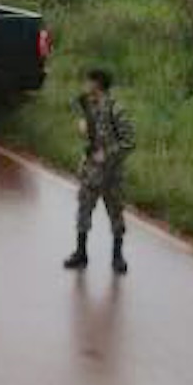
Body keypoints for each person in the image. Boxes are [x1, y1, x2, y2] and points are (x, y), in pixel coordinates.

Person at [64, 69, 136, 275]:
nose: (85, 86)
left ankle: (117, 256)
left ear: (97, 84)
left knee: (116, 214)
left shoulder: (115, 109)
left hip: (111, 173)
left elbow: (129, 141)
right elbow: (85, 129)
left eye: (89, 82)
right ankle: (81, 252)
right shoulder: (87, 107)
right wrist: (83, 129)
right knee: (83, 211)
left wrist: (109, 154)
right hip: (90, 171)